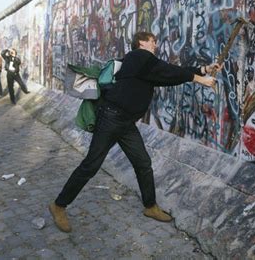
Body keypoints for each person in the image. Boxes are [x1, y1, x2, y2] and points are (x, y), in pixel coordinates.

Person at [49, 31, 220, 232]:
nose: (155, 44)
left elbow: (169, 74)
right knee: (91, 165)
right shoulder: (139, 56)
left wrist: (203, 69)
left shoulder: (144, 66)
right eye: (153, 41)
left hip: (125, 122)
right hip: (111, 118)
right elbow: (166, 70)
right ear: (142, 43)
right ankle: (59, 205)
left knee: (143, 162)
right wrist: (201, 80)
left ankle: (150, 206)